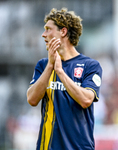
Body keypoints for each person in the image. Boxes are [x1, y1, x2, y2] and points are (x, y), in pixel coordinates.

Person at [27, 8, 102, 150]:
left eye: (48, 29)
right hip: (47, 146)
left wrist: (60, 72)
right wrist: (50, 66)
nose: (43, 35)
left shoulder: (90, 65)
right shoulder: (43, 65)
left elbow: (86, 100)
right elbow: (32, 99)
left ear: (63, 31)